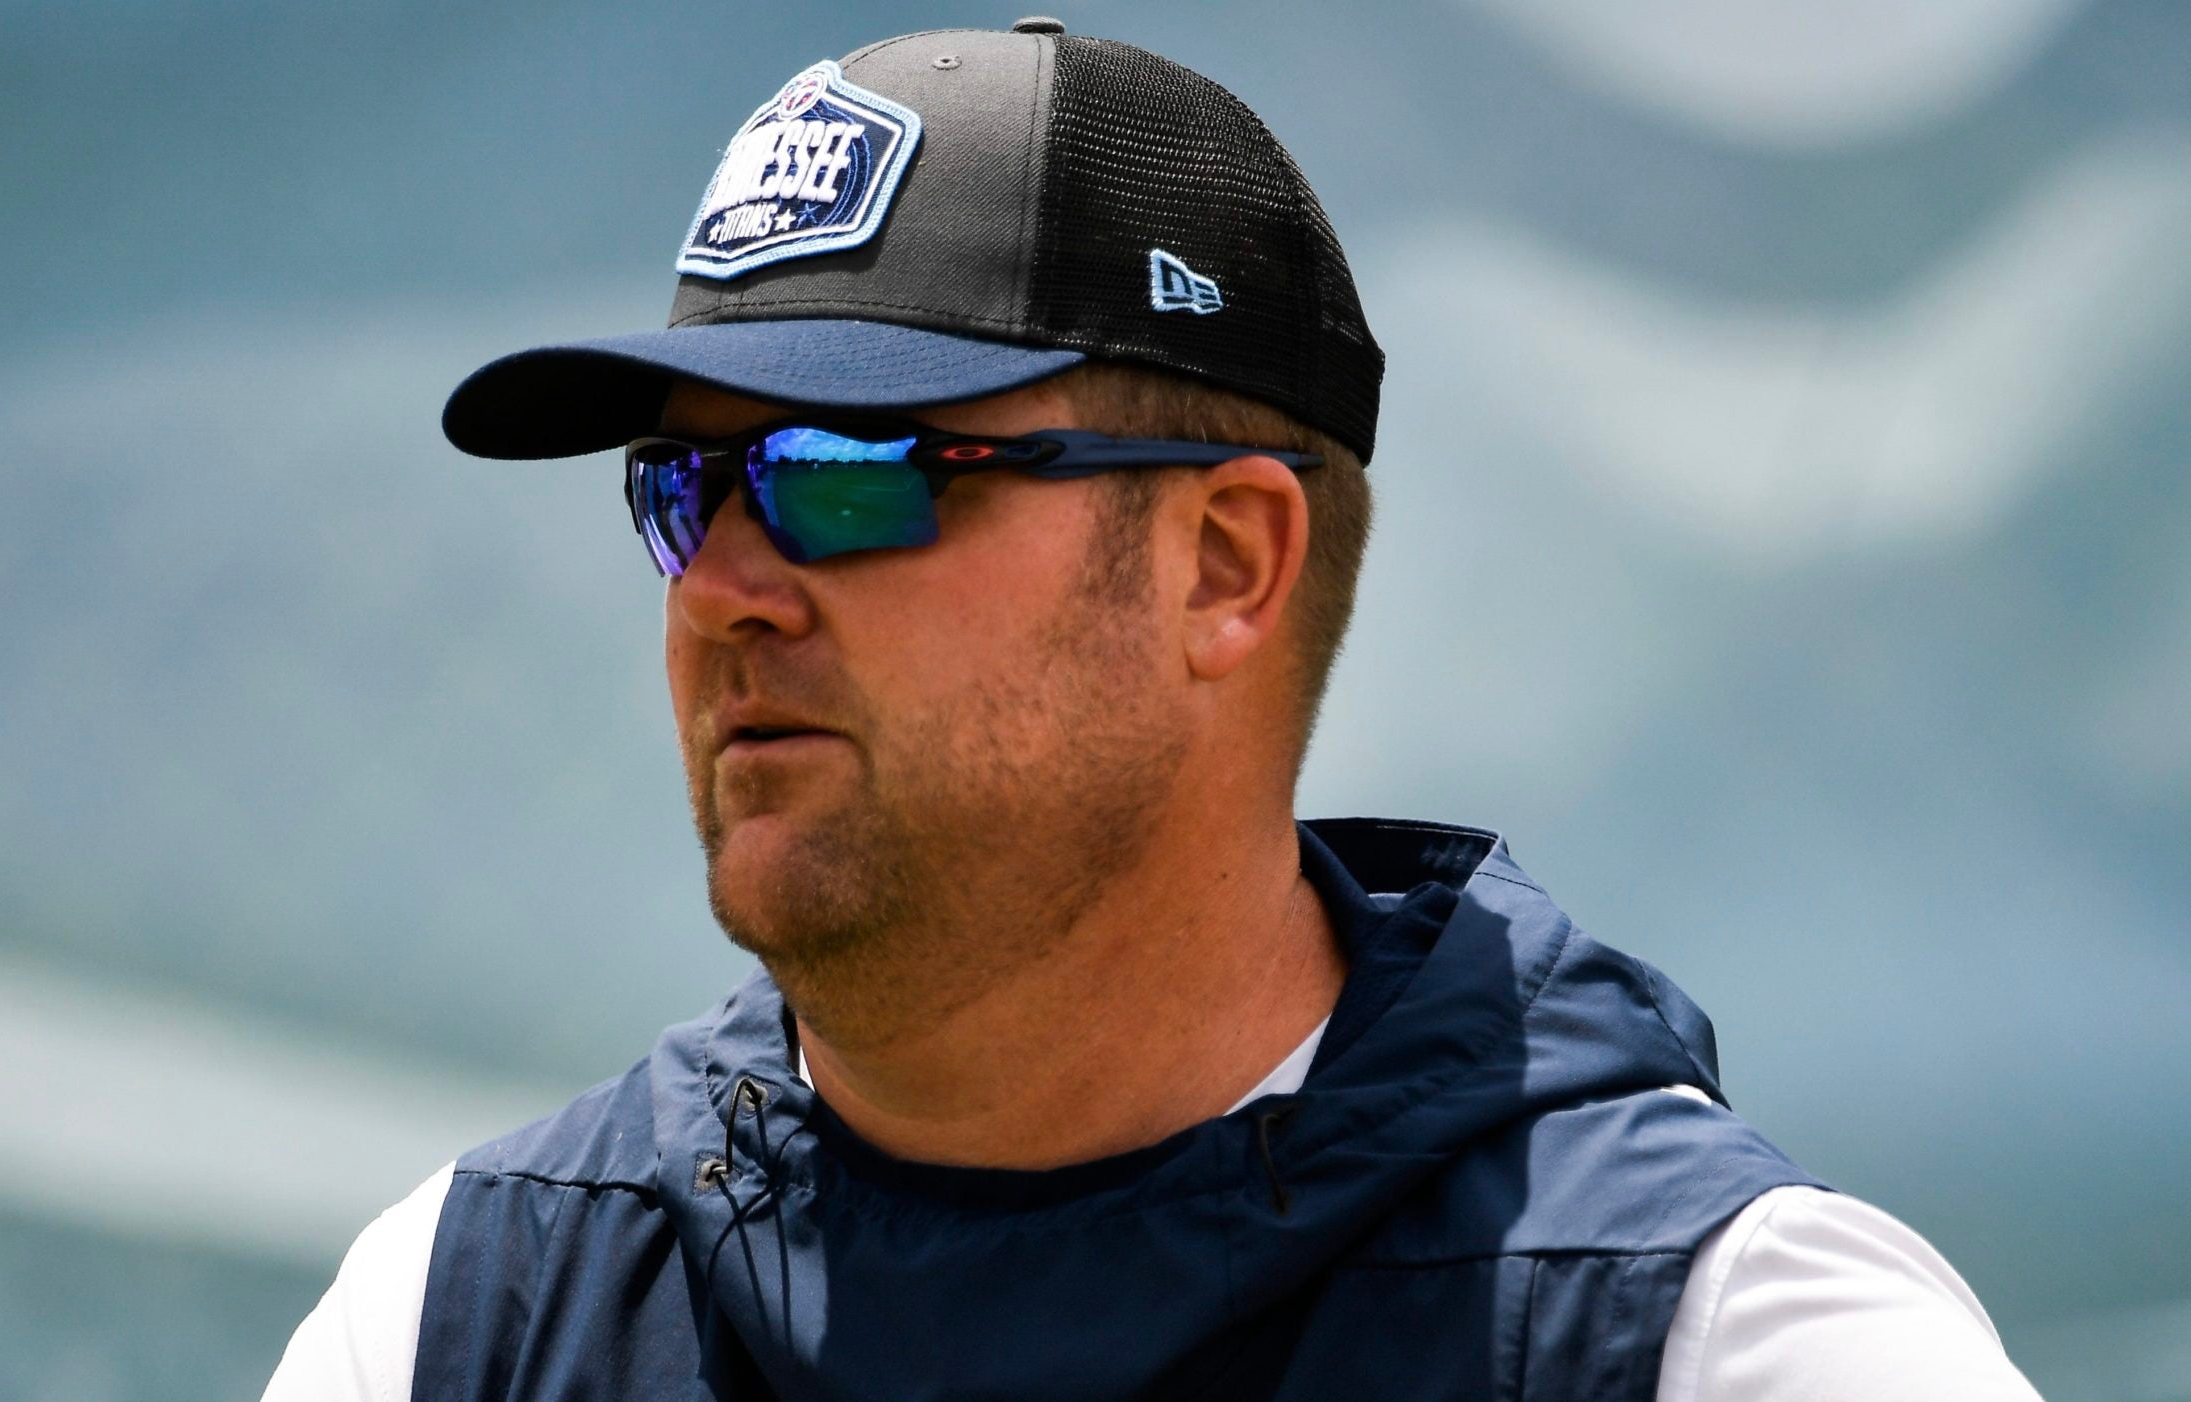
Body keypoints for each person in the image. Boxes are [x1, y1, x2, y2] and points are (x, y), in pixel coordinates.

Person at [266, 19, 2041, 1401]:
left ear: (1224, 564)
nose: (724, 584)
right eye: (686, 487)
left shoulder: (1714, 1338)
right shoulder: (459, 1318)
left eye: (851, 472)